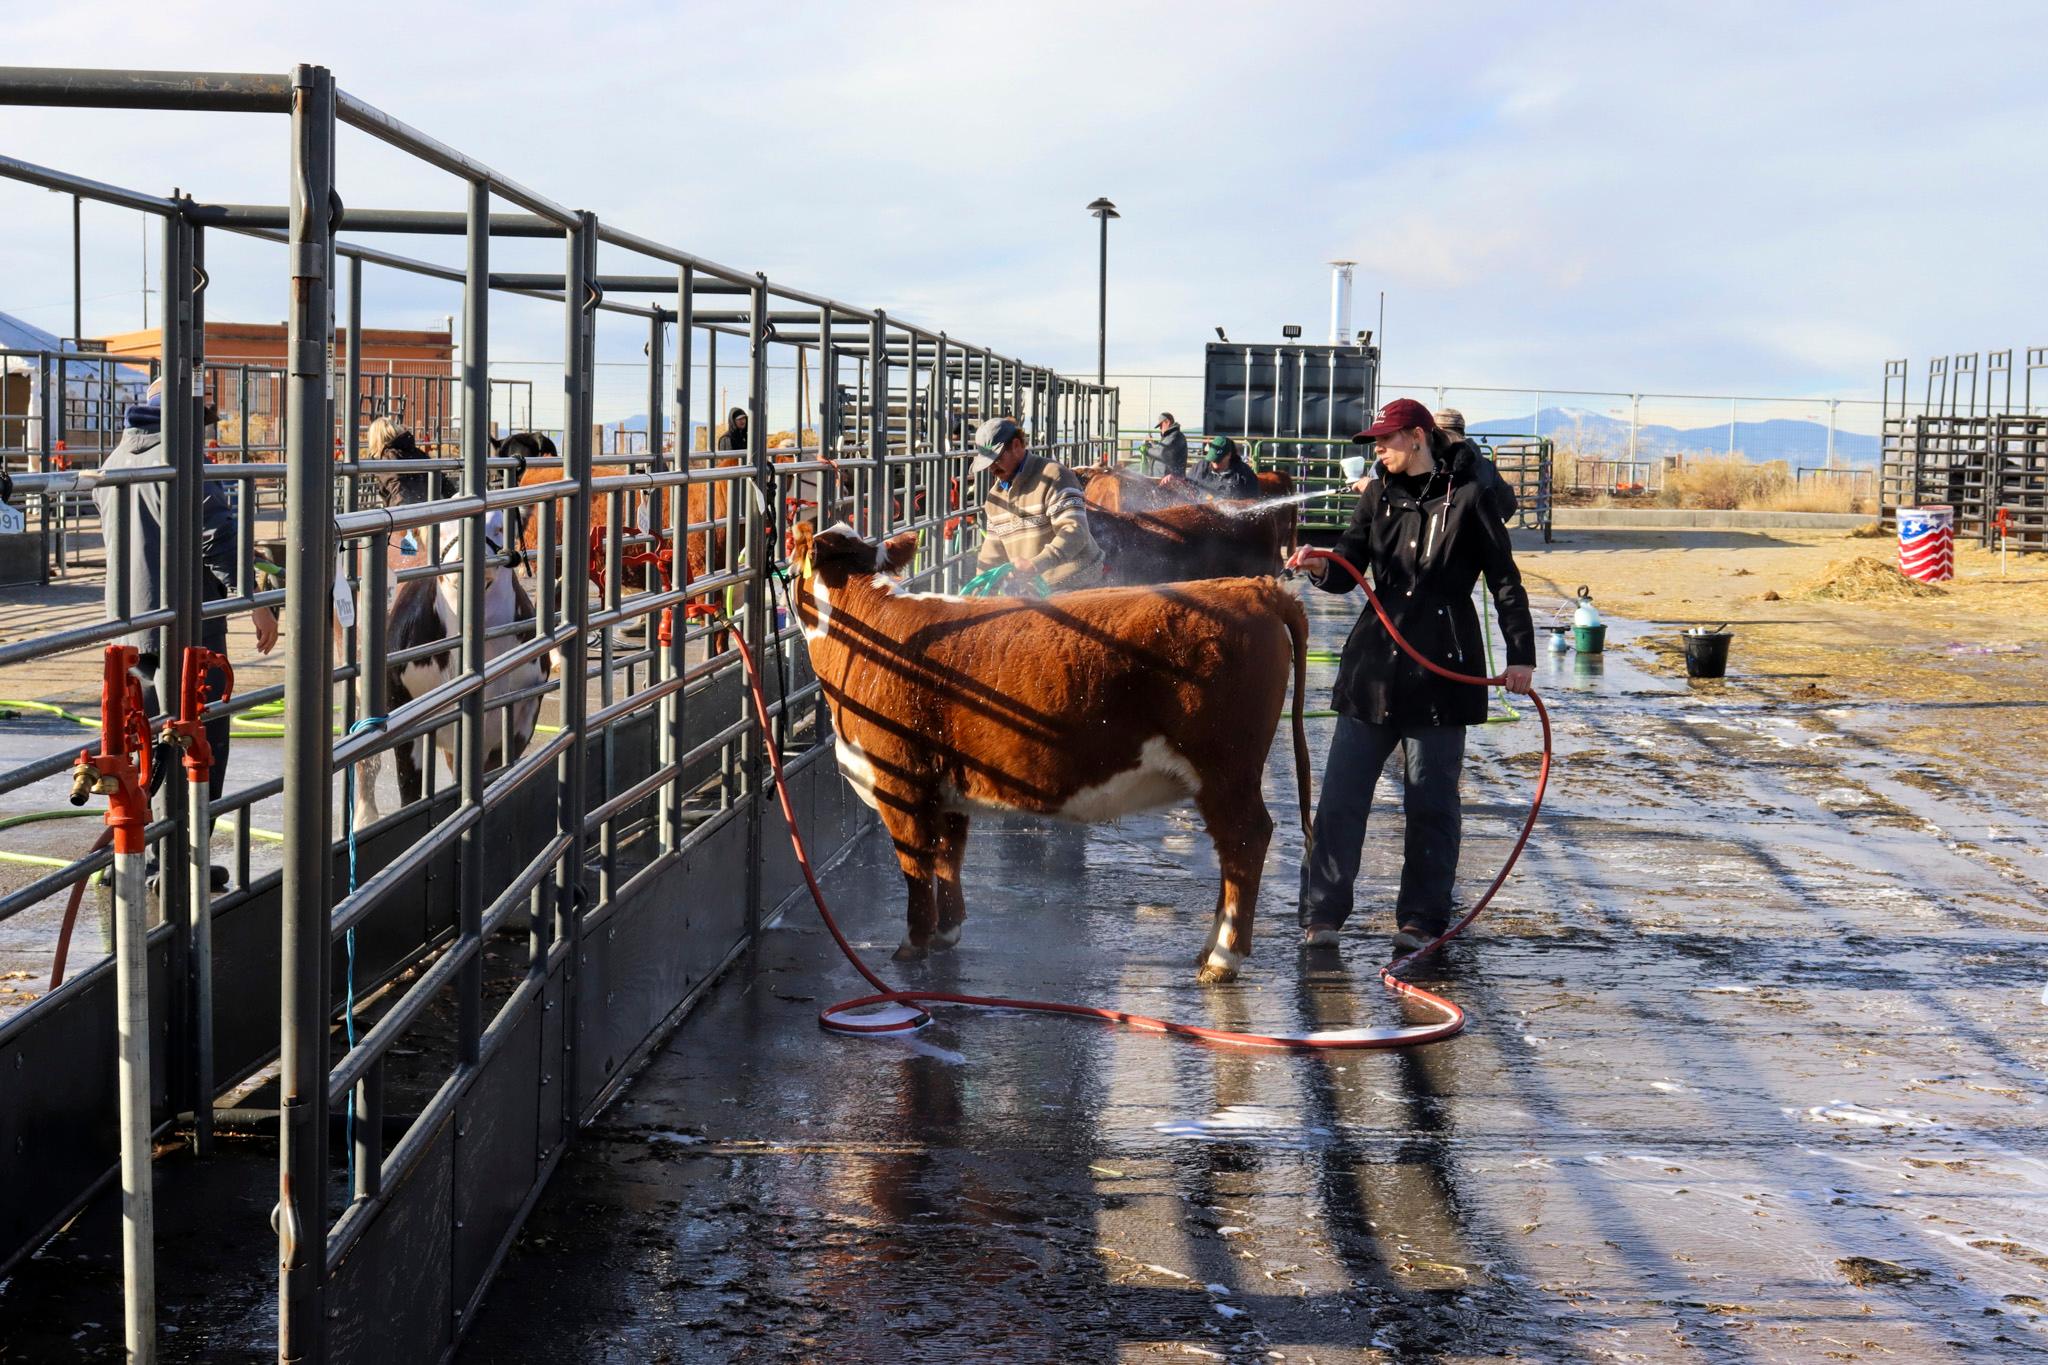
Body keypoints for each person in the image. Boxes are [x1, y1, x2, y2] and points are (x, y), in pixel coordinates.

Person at [1292, 398, 1534, 955]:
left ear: (1419, 438)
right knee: (1341, 799)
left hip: (1443, 675)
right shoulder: (1377, 494)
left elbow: (1505, 582)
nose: (1378, 450)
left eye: (1386, 440)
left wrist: (1521, 656)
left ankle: (1422, 919)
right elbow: (1350, 563)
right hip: (1373, 669)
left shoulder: (1471, 499)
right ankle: (1322, 915)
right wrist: (1322, 565)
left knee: (1431, 802)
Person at [94, 378, 279, 884]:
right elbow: (216, 534)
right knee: (199, 738)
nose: (205, 436)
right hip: (186, 630)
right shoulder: (181, 461)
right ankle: (179, 861)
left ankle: (132, 853)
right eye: (201, 424)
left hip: (130, 629)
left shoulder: (114, 462)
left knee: (142, 738)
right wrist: (255, 602)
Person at [971, 416, 1106, 592]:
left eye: (997, 458)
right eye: (988, 462)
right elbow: (992, 552)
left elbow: (1074, 531)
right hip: (1037, 589)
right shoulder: (995, 499)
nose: (992, 468)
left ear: (1017, 446)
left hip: (1076, 583)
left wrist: (1036, 564)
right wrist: (977, 592)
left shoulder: (1054, 476)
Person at [1434, 407, 1518, 524]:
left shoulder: (1440, 464)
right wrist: (1491, 526)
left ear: (1441, 433)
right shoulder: (1487, 466)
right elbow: (1508, 502)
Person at [1190, 434, 1261, 501]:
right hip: (1201, 509)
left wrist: (1228, 503)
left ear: (1229, 455)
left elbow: (1254, 500)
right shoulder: (1199, 467)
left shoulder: (1244, 472)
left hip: (1231, 511)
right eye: (1213, 460)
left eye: (1218, 460)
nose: (1214, 464)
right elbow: (1187, 487)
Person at [1152, 412, 1189, 478]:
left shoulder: (1174, 436)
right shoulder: (1171, 436)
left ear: (1167, 422)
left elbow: (1162, 453)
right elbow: (1164, 448)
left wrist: (1147, 449)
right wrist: (1153, 444)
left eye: (1161, 425)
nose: (1160, 428)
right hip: (1166, 478)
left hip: (1170, 480)